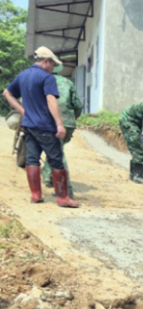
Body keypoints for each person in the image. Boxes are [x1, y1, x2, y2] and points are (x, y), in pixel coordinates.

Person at [2, 47, 77, 208]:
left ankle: (36, 195)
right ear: (46, 61)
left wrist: (22, 110)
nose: (53, 68)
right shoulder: (47, 77)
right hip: (45, 126)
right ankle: (63, 198)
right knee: (56, 161)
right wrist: (59, 124)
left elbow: (7, 93)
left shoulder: (22, 75)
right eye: (52, 64)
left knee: (32, 159)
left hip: (28, 125)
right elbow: (51, 100)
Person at [41, 64, 84, 198]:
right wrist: (71, 119)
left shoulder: (41, 81)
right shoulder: (67, 82)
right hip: (68, 123)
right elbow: (78, 105)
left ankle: (66, 189)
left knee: (57, 153)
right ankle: (49, 178)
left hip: (50, 123)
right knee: (55, 149)